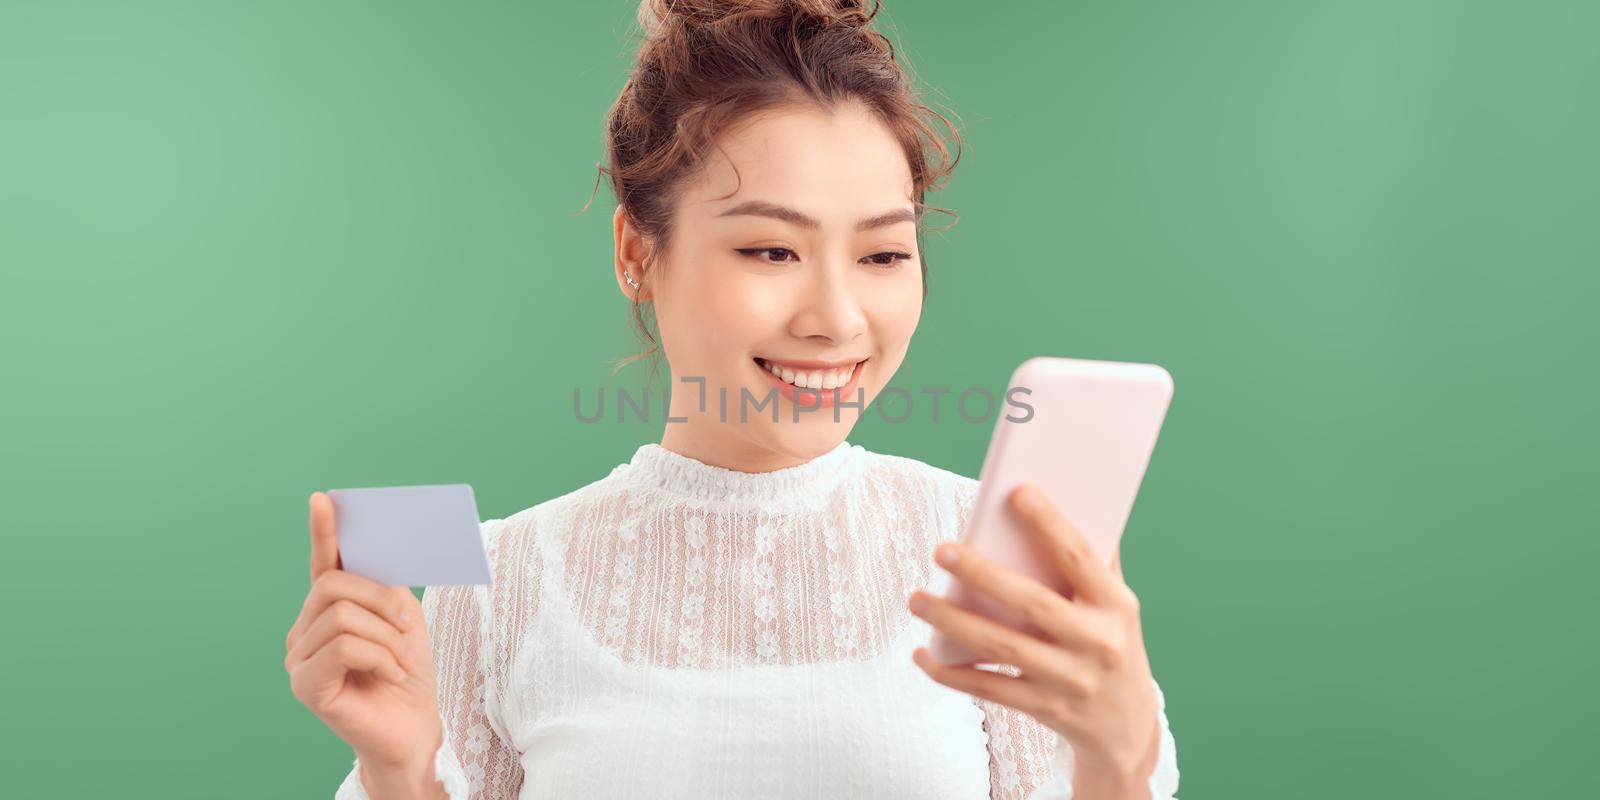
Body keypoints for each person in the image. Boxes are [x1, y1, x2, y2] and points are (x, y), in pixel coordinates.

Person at [283, 1, 1181, 797]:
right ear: (637, 253)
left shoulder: (991, 565)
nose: (836, 319)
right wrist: (399, 774)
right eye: (770, 251)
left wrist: (1116, 761)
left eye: (882, 255)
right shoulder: (503, 579)